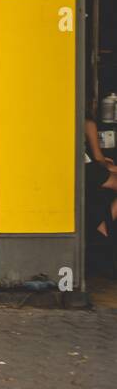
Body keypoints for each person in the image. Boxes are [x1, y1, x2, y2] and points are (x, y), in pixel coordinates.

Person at [84, 101, 117, 278]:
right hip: (88, 170)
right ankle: (104, 224)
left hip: (80, 170)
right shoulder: (88, 122)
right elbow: (97, 158)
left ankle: (103, 222)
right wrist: (111, 167)